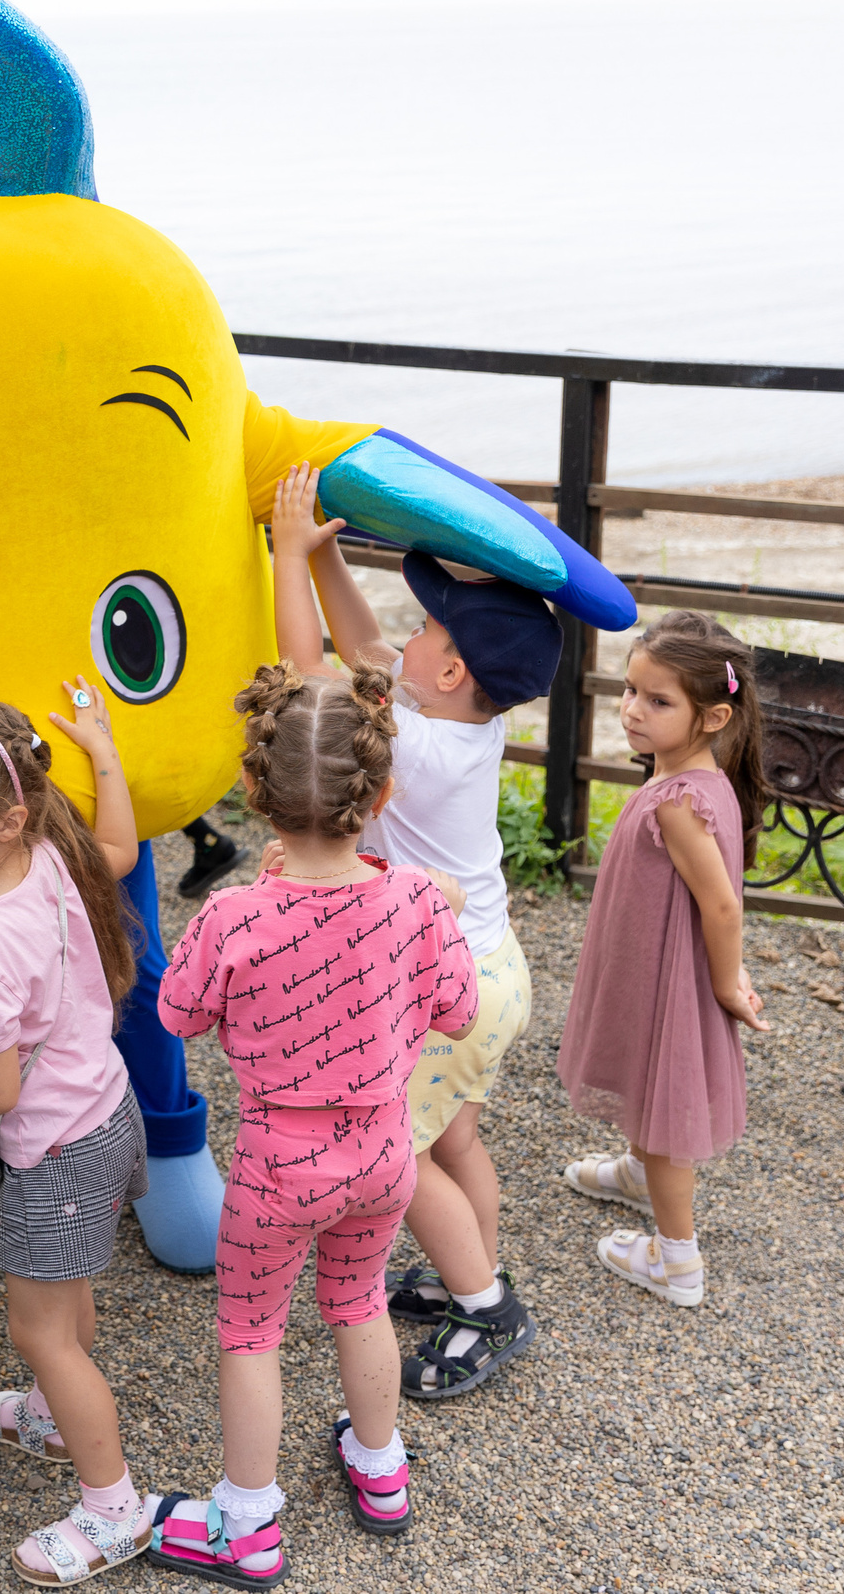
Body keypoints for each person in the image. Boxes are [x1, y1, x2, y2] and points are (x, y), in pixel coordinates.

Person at [144, 664, 477, 1585]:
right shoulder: (413, 898)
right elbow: (457, 1007)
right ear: (380, 791)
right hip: (381, 1152)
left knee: (252, 1330)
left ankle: (246, 1523)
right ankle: (380, 1468)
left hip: (275, 1165)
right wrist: (437, 912)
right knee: (360, 1300)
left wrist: (248, 901)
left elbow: (176, 1014)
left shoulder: (234, 913)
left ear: (254, 790)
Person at [267, 463, 551, 1397]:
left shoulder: (419, 747)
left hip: (438, 985)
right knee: (456, 1137)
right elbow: (359, 646)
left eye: (428, 629)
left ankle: (487, 1304)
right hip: (491, 968)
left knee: (408, 1147)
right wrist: (326, 553)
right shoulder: (459, 723)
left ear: (453, 668)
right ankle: (467, 1265)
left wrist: (282, 557)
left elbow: (313, 676)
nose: (409, 636)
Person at [0, 677, 157, 1584]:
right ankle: (54, 1414)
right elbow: (121, 847)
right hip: (105, 1109)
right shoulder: (43, 853)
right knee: (65, 1289)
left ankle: (113, 1507)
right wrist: (103, 748)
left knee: (40, 1326)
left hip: (50, 1144)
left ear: (4, 819)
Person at [555, 611, 773, 1307]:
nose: (632, 711)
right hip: (654, 970)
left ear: (711, 715)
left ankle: (677, 1262)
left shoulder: (680, 800)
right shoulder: (700, 780)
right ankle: (635, 1170)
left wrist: (725, 980)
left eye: (659, 701)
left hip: (674, 980)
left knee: (668, 1113)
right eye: (630, 691)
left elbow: (722, 905)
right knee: (646, 1079)